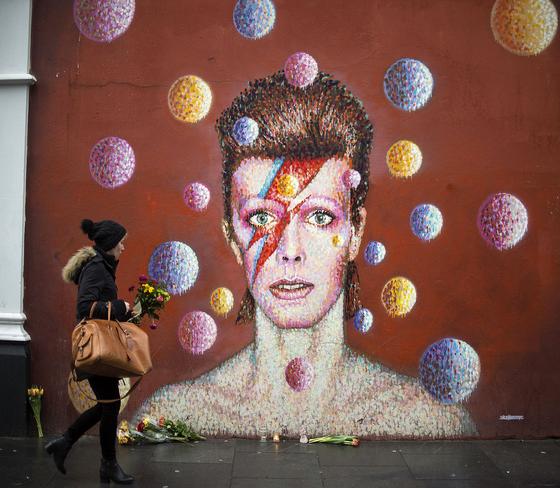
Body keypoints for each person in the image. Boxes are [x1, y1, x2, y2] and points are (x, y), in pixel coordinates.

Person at [135, 71, 477, 438]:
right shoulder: (175, 415)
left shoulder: (432, 422)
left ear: (355, 233)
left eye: (319, 217)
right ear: (232, 236)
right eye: (262, 217)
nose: (290, 250)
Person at [45, 219, 135, 484]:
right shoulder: (97, 267)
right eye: (121, 242)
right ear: (109, 245)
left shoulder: (101, 265)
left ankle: (66, 443)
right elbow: (85, 308)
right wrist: (120, 307)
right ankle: (107, 464)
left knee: (108, 405)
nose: (123, 247)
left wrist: (125, 314)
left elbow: (100, 306)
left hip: (100, 345)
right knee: (110, 404)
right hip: (96, 347)